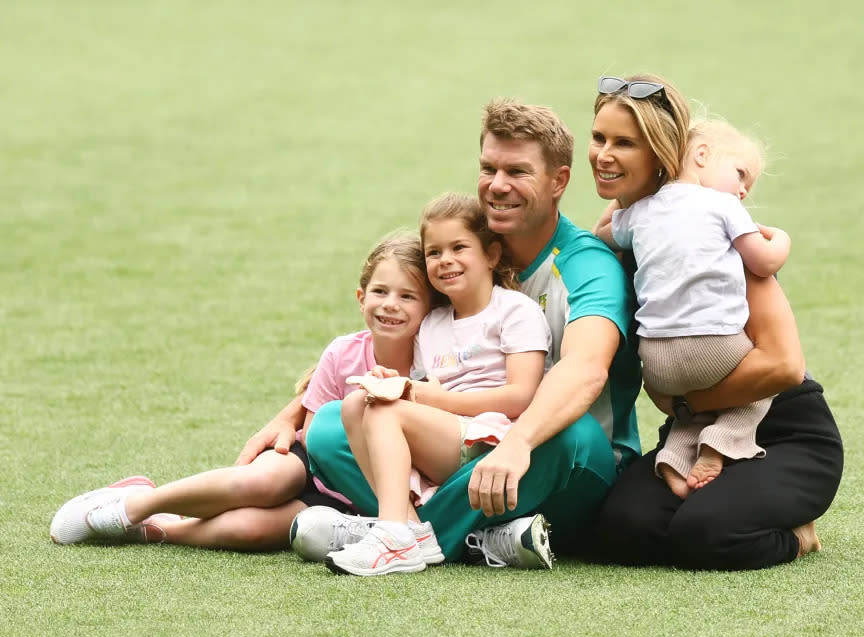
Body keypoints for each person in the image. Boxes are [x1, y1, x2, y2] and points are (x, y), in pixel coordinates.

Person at [245, 98, 645, 564]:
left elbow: (584, 371)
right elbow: (399, 342)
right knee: (333, 423)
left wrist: (517, 443)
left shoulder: (585, 266)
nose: (497, 186)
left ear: (558, 182)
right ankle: (473, 539)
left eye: (517, 171)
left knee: (570, 437)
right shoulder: (460, 253)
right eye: (488, 168)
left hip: (557, 458)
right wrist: (298, 408)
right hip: (464, 443)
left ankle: (399, 530)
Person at [586, 73, 844, 569]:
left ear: (663, 151)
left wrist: (684, 398)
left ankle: (798, 535)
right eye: (599, 139)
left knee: (705, 535)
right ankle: (705, 483)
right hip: (692, 420)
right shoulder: (638, 229)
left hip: (779, 423)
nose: (604, 154)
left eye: (625, 143)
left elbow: (785, 367)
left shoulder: (719, 237)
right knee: (623, 530)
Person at [49, 234, 433, 550]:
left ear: (430, 307)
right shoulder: (344, 351)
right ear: (361, 297)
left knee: (250, 531)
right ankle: (134, 504)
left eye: (407, 296)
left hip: (365, 499)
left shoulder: (432, 363)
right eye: (380, 292)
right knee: (263, 482)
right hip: (316, 467)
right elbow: (319, 438)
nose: (390, 306)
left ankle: (156, 527)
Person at [324, 193, 552, 576]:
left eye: (459, 247)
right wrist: (392, 383)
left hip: (493, 437)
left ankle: (394, 534)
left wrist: (429, 398)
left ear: (491, 256)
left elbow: (522, 396)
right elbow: (419, 388)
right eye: (434, 252)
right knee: (355, 405)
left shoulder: (514, 310)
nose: (445, 259)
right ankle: (407, 531)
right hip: (447, 435)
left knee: (384, 413)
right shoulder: (432, 325)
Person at [594, 115, 792, 499]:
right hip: (714, 348)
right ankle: (720, 443)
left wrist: (625, 198)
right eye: (741, 174)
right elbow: (765, 263)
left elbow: (603, 235)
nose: (744, 190)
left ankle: (674, 457)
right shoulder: (721, 206)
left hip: (656, 363)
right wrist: (780, 238)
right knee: (754, 391)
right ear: (701, 155)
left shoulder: (640, 212)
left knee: (694, 408)